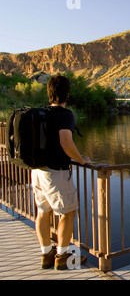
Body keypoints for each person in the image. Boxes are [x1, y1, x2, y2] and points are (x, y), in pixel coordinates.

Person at [31, 75, 91, 270]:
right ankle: (62, 256)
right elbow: (66, 141)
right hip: (56, 173)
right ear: (67, 93)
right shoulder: (65, 115)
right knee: (67, 212)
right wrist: (81, 159)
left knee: (43, 212)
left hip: (38, 171)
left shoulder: (42, 113)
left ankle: (46, 253)